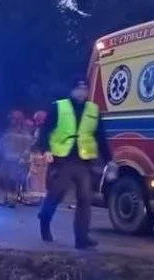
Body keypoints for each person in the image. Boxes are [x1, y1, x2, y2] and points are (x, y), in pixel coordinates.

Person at [32, 78, 115, 248]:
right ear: (72, 90)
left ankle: (81, 237)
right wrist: (46, 149)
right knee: (56, 194)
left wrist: (109, 160)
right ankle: (45, 219)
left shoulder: (93, 110)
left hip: (83, 160)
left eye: (85, 88)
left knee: (85, 198)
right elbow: (45, 130)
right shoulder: (59, 106)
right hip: (62, 159)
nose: (81, 91)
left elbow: (100, 137)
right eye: (78, 88)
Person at [0, 110, 31, 207]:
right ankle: (7, 197)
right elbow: (3, 142)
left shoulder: (25, 131)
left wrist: (23, 158)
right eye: (11, 118)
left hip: (17, 160)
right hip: (6, 158)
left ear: (19, 119)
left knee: (12, 180)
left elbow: (27, 147)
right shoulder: (9, 130)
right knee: (2, 178)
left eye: (13, 118)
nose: (11, 120)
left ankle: (12, 200)